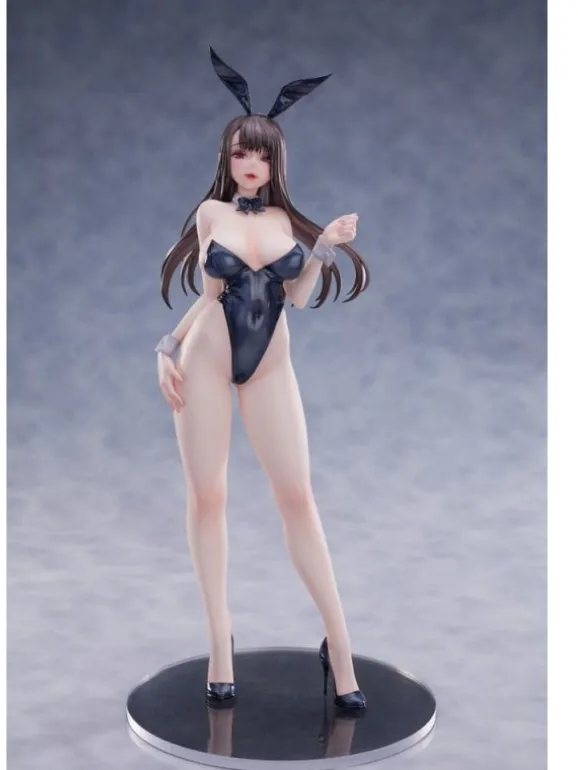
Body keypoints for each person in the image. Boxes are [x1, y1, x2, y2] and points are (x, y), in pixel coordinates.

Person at [154, 48, 370, 711]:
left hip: (271, 362)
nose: (251, 163)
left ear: (276, 163)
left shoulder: (282, 223)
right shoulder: (210, 215)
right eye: (241, 152)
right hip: (206, 357)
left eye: (263, 155)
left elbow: (297, 298)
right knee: (207, 498)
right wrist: (167, 344)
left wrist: (324, 246)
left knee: (298, 498)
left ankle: (340, 649)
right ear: (228, 157)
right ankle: (219, 644)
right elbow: (209, 296)